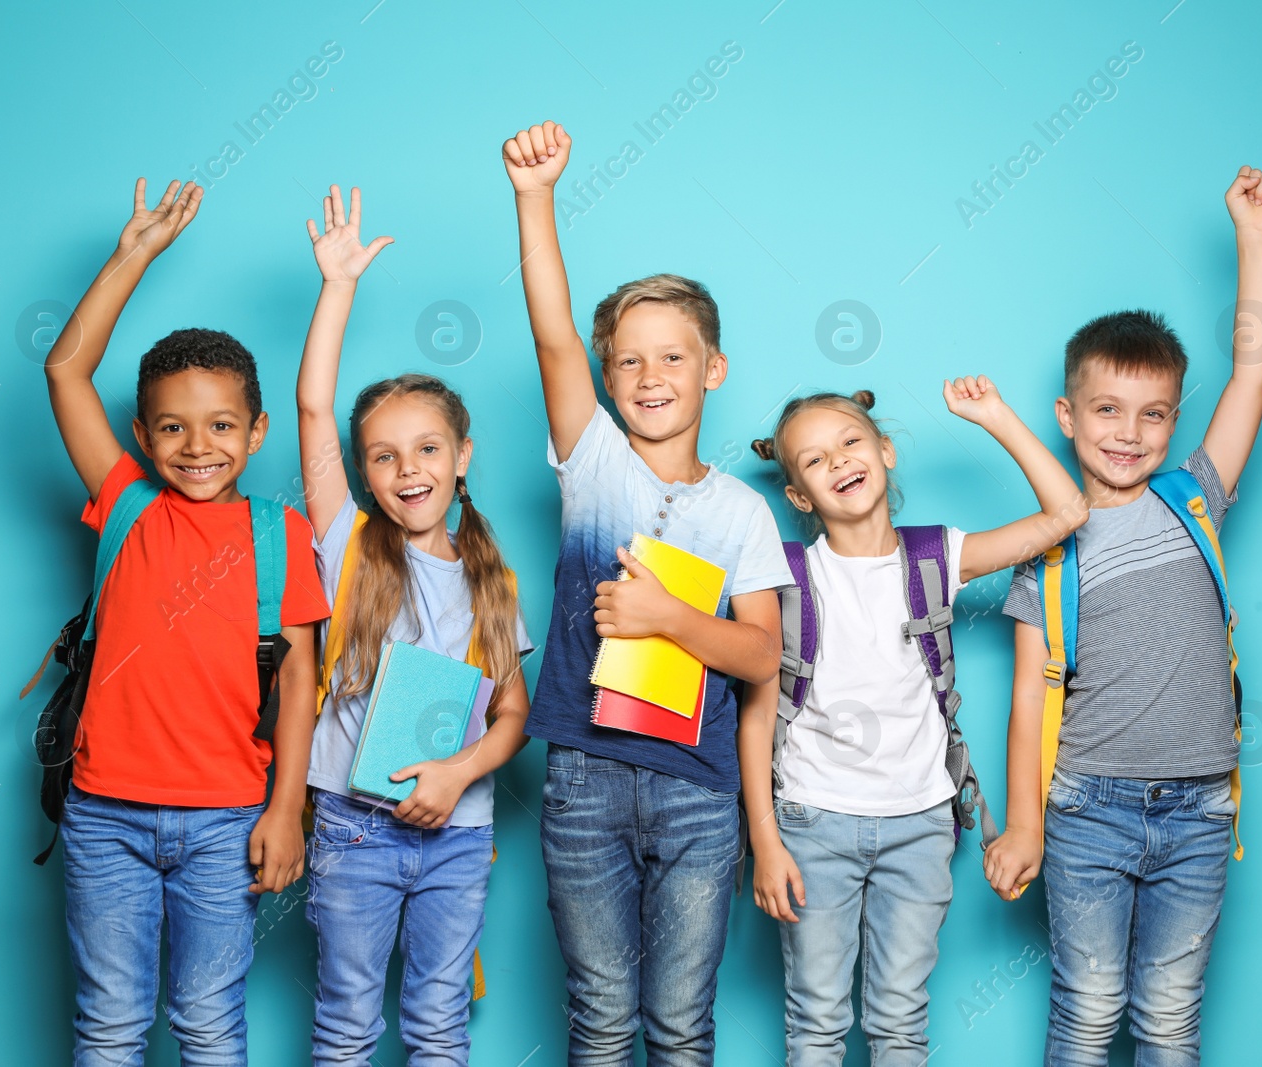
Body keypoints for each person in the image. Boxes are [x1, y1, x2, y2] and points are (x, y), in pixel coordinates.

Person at [503, 120, 793, 1065]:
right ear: (606, 378)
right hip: (584, 776)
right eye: (628, 359)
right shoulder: (594, 466)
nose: (649, 376)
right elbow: (551, 335)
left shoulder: (744, 512)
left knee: (678, 1024)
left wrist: (669, 617)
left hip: (700, 790)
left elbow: (763, 658)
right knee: (598, 1019)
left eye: (672, 357)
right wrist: (535, 198)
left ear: (712, 370)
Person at [984, 166, 1262, 1066]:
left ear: (1174, 421)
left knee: (1167, 1020)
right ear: (1066, 416)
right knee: (1087, 1014)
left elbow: (1257, 365)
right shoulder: (1048, 550)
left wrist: (1254, 235)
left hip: (1200, 811)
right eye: (1107, 411)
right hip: (1087, 810)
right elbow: (1031, 701)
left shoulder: (1196, 498)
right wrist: (1024, 822)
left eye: (1153, 414)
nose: (1129, 432)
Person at [43, 178, 329, 1066]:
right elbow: (63, 370)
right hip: (104, 815)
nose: (196, 446)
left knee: (209, 1025)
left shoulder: (280, 536)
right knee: (111, 1025)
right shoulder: (125, 503)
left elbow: (299, 684)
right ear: (141, 432)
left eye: (219, 425)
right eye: (171, 427)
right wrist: (136, 252)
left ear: (257, 432)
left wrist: (288, 809)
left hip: (226, 819)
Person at [741, 381, 1087, 1065]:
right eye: (813, 460)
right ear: (799, 497)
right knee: (816, 1021)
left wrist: (995, 416)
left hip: (921, 824)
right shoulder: (783, 574)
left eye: (849, 441)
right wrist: (765, 840)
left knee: (900, 1020)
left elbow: (1067, 511)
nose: (838, 460)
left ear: (885, 450)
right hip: (811, 821)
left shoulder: (936, 555)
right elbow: (754, 718)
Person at [294, 186, 534, 1066]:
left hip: (458, 831)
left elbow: (513, 714)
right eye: (384, 455)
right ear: (362, 473)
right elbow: (313, 410)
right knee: (348, 1022)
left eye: (428, 448)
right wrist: (338, 286)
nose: (408, 469)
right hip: (352, 827)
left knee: (438, 1024)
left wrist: (459, 772)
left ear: (463, 456)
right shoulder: (347, 546)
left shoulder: (494, 580)